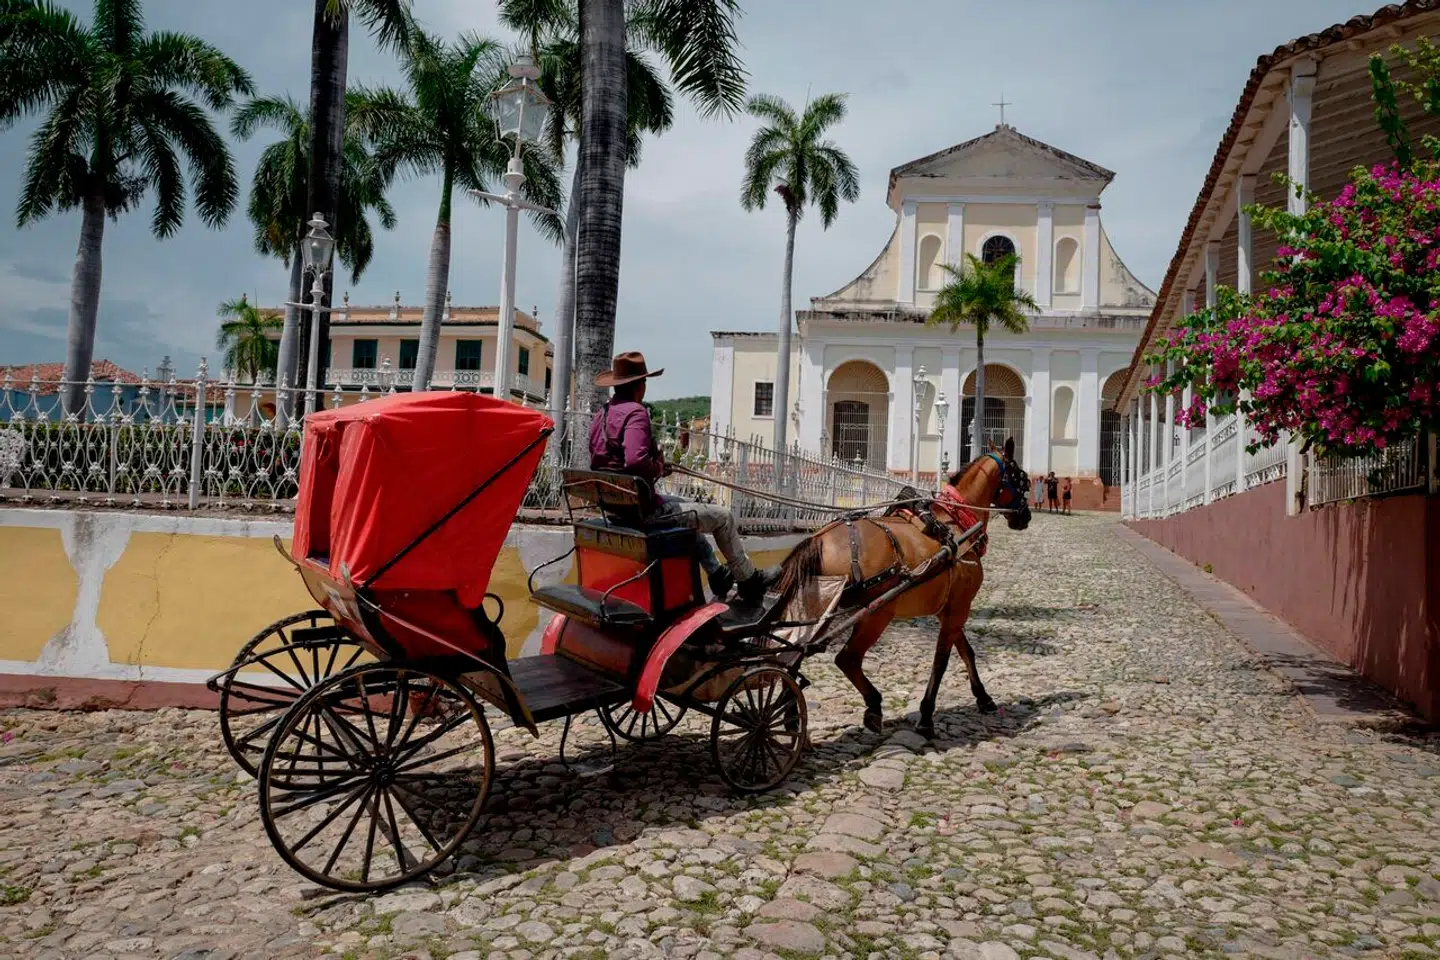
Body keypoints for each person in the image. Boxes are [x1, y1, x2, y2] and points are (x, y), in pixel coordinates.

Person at [588, 351, 777, 604]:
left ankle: (717, 572)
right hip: (643, 510)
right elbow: (634, 460)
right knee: (723, 517)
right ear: (640, 385)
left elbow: (604, 460)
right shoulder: (636, 412)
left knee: (685, 512)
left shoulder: (602, 414)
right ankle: (748, 581)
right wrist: (656, 467)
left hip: (616, 507)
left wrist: (653, 468)